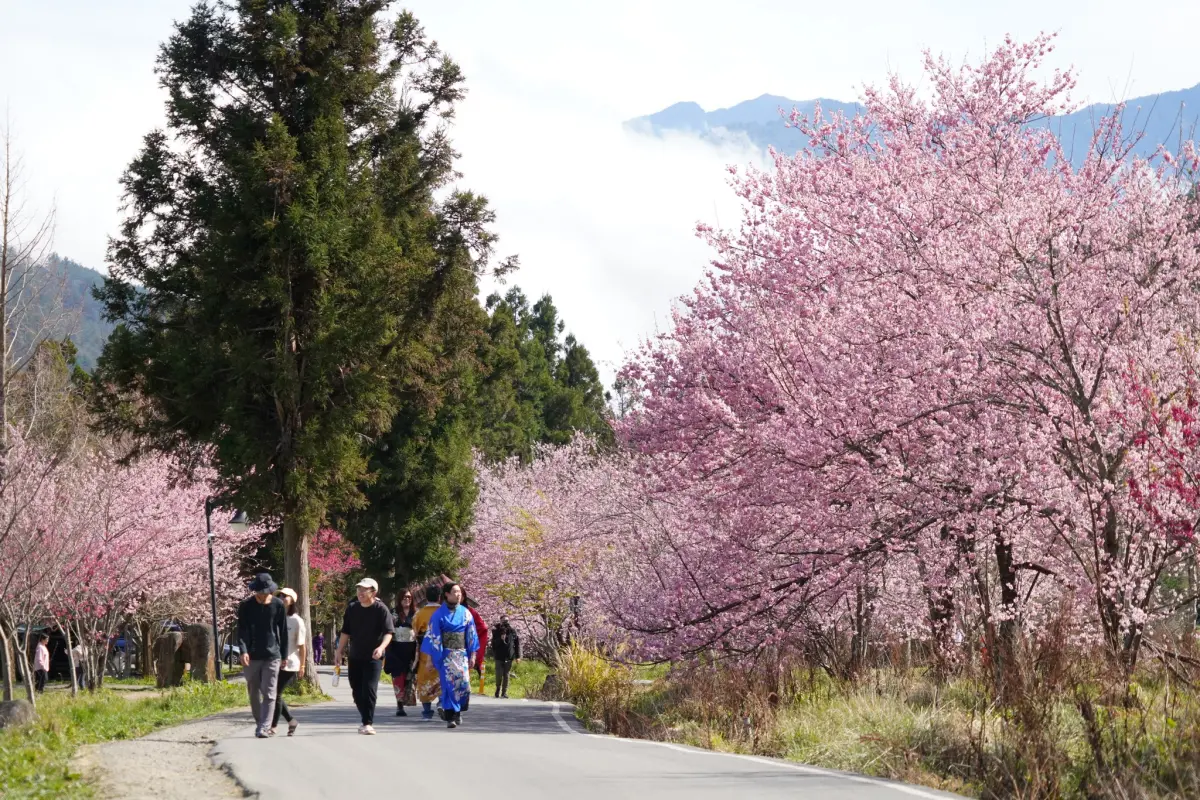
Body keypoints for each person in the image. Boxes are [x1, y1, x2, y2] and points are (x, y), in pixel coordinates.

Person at [334, 578, 394, 735]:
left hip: (374, 656)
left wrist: (381, 648)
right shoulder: (352, 608)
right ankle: (365, 717)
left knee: (369, 688)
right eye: (359, 589)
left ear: (373, 592)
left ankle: (367, 723)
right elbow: (345, 632)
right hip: (355, 655)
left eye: (364, 590)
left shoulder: (381, 609)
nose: (360, 593)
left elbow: (389, 632)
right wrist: (339, 650)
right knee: (356, 689)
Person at [236, 572, 289, 739]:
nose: (263, 595)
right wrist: (243, 650)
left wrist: (284, 655)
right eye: (260, 592)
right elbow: (242, 631)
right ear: (255, 591)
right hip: (251, 655)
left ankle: (264, 727)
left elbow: (283, 632)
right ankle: (260, 722)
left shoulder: (278, 605)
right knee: (253, 691)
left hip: (273, 654)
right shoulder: (246, 606)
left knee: (270, 692)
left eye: (266, 592)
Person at [420, 582, 479, 729]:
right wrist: (430, 660)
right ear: (447, 594)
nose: (458, 595)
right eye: (455, 592)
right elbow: (433, 637)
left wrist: (473, 655)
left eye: (459, 592)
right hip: (445, 655)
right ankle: (450, 716)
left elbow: (471, 634)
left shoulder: (466, 613)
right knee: (448, 685)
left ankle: (458, 711)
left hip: (461, 653)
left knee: (464, 684)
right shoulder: (438, 614)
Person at [270, 588, 306, 737]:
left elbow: (302, 646)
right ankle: (291, 721)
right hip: (273, 661)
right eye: (280, 595)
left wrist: (302, 666)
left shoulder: (296, 621)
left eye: (286, 596)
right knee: (273, 693)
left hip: (290, 663)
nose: (282, 598)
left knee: (276, 693)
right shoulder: (274, 617)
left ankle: (273, 726)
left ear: (292, 600)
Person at [411, 584, 442, 720]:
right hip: (442, 648)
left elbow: (413, 632)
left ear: (426, 597)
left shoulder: (419, 613)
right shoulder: (444, 612)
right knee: (441, 676)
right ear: (440, 597)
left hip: (425, 649)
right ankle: (441, 702)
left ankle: (427, 712)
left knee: (424, 678)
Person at [384, 589, 417, 717]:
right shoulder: (393, 613)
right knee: (398, 677)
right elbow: (388, 630)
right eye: (404, 597)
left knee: (410, 677)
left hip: (412, 649)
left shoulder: (416, 613)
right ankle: (399, 705)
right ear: (399, 599)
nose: (407, 599)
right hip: (396, 648)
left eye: (409, 597)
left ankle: (407, 700)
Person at [490, 615, 521, 699]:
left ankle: (504, 692)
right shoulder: (496, 631)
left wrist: (518, 656)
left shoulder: (512, 631)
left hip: (509, 656)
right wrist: (500, 639)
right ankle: (498, 688)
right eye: (504, 620)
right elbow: (493, 645)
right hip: (499, 656)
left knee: (506, 675)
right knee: (499, 674)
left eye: (507, 620)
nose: (505, 622)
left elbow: (517, 644)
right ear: (500, 621)